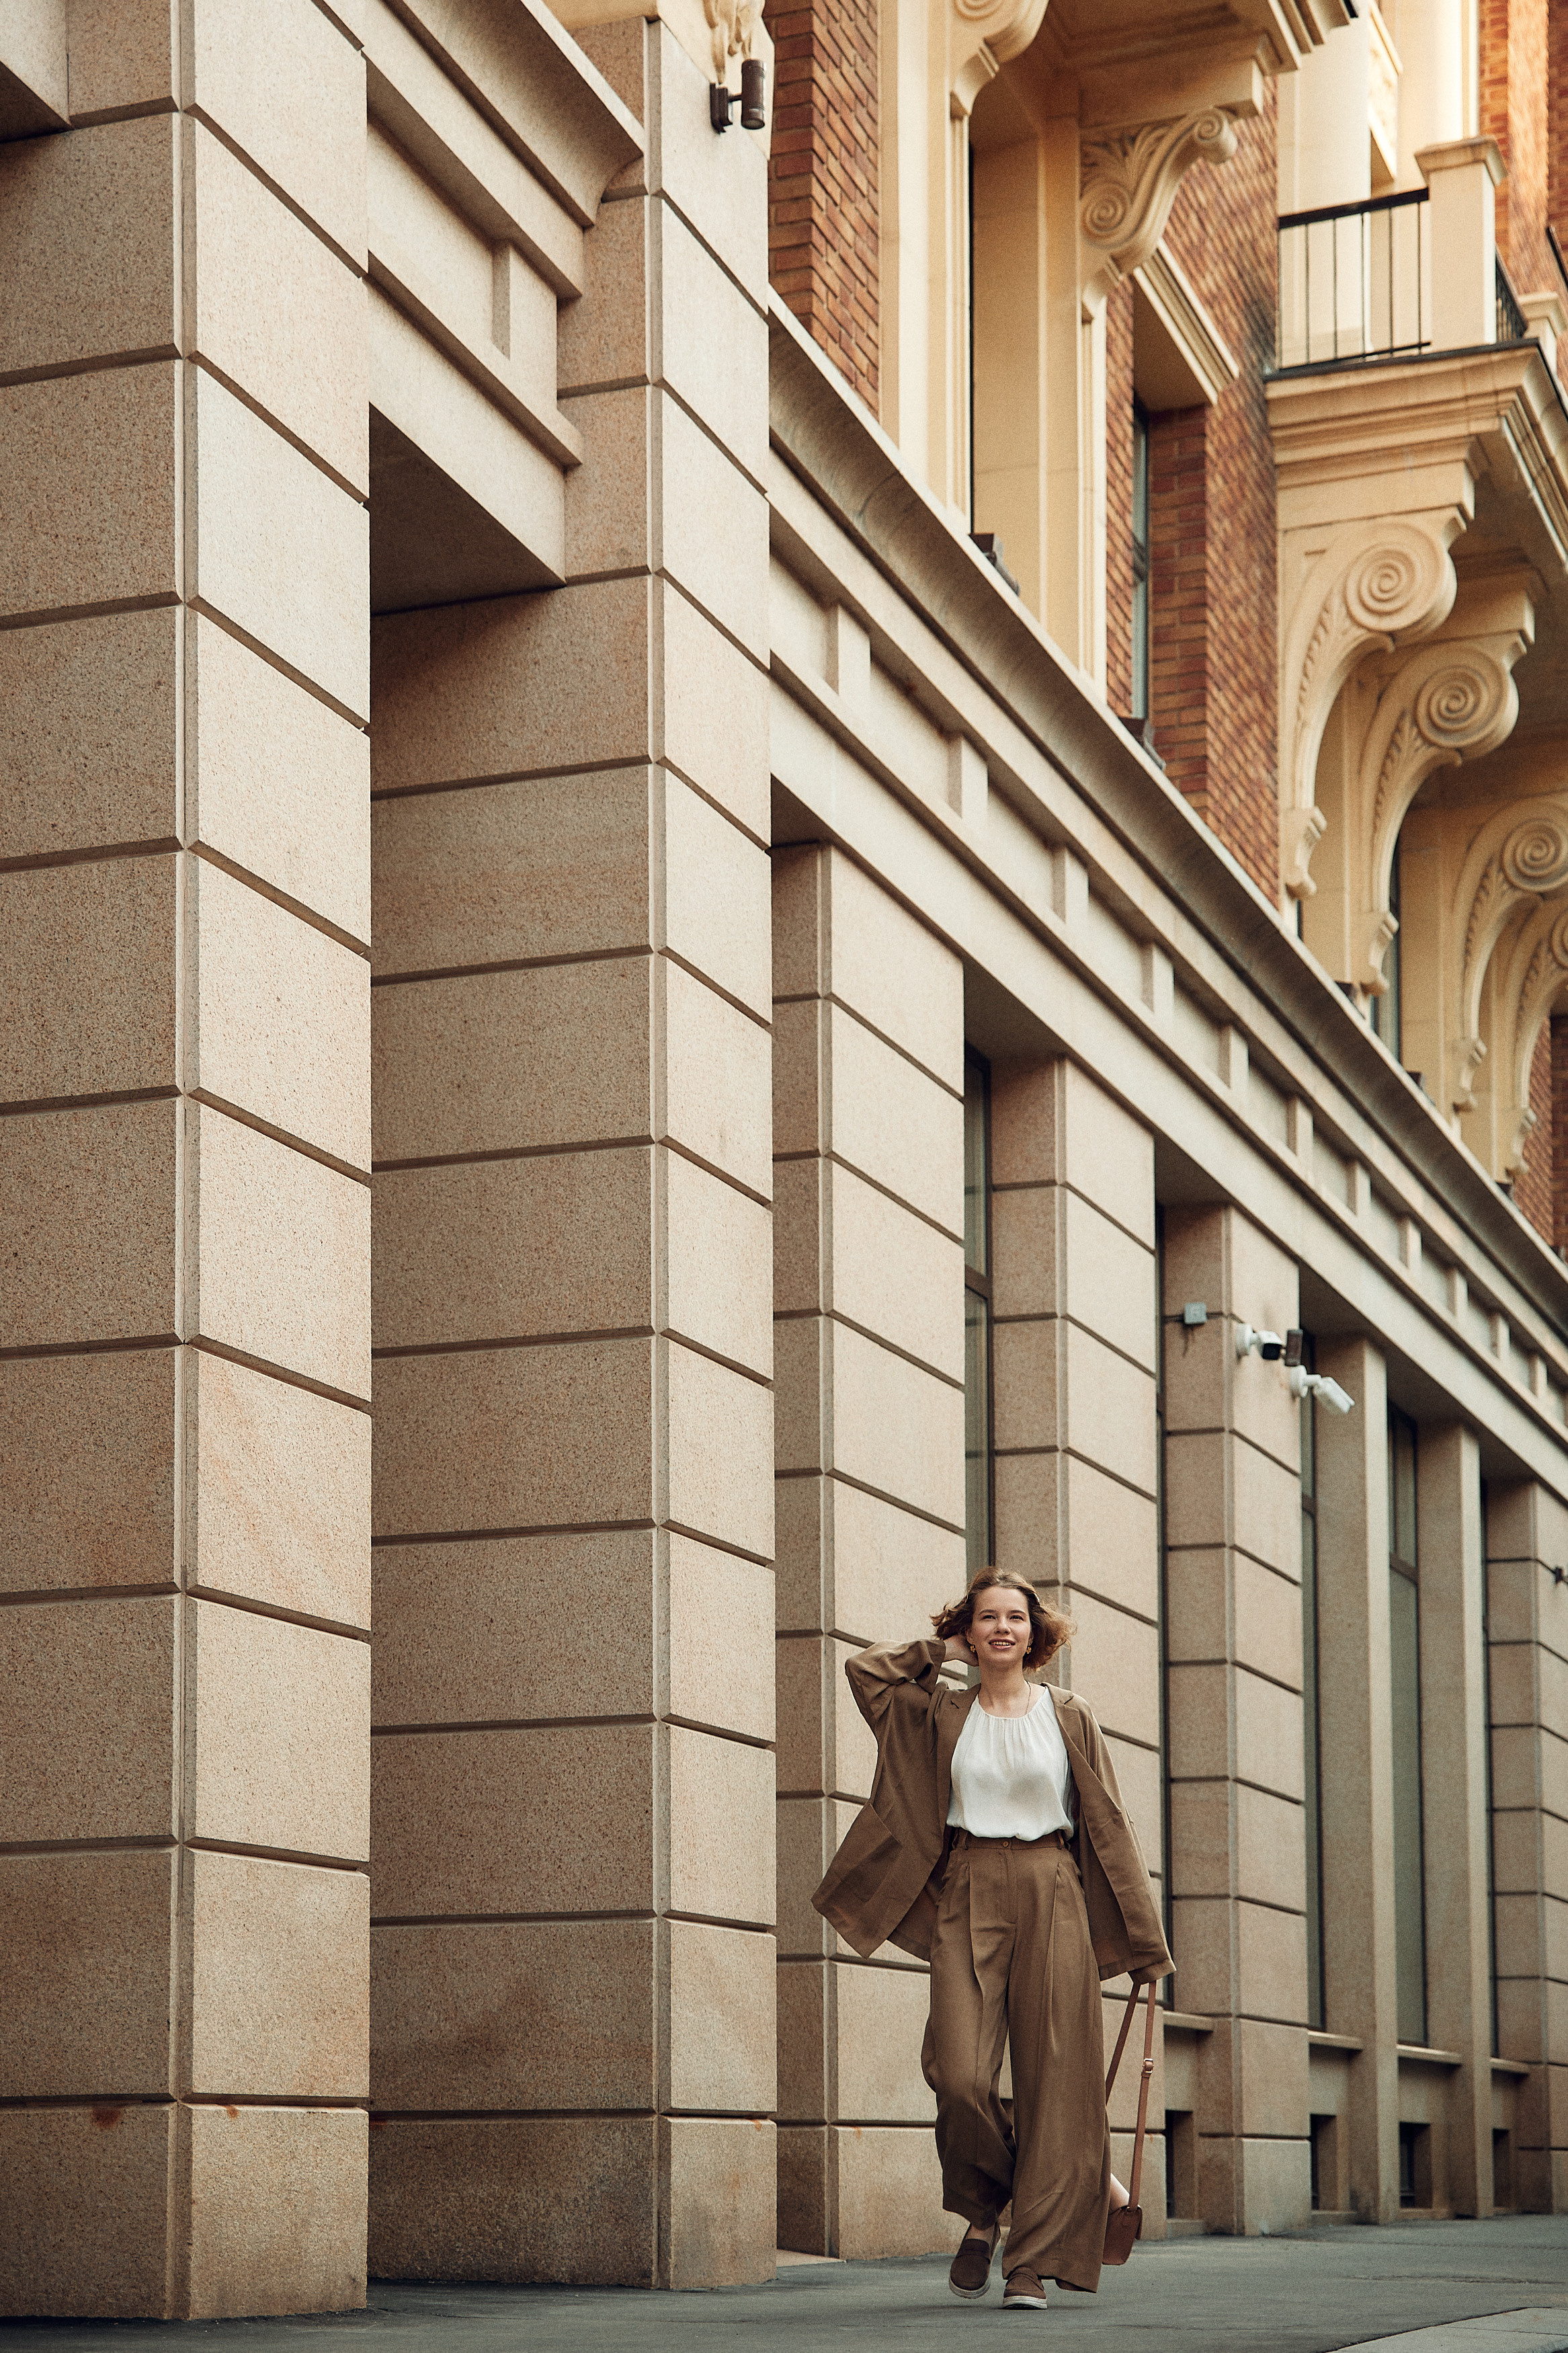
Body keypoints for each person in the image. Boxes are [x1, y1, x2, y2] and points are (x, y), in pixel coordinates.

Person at [813, 1567, 1173, 2311]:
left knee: (1055, 2085)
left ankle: (1026, 2264)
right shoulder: (939, 1708)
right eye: (986, 1617)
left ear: (1035, 1633)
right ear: (968, 1631)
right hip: (968, 1884)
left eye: (1016, 1616)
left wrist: (1143, 1940)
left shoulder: (1068, 1712)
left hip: (1053, 1887)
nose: (1002, 1627)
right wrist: (937, 1645)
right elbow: (864, 1672)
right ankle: (988, 2203)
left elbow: (1107, 1824)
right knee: (958, 2073)